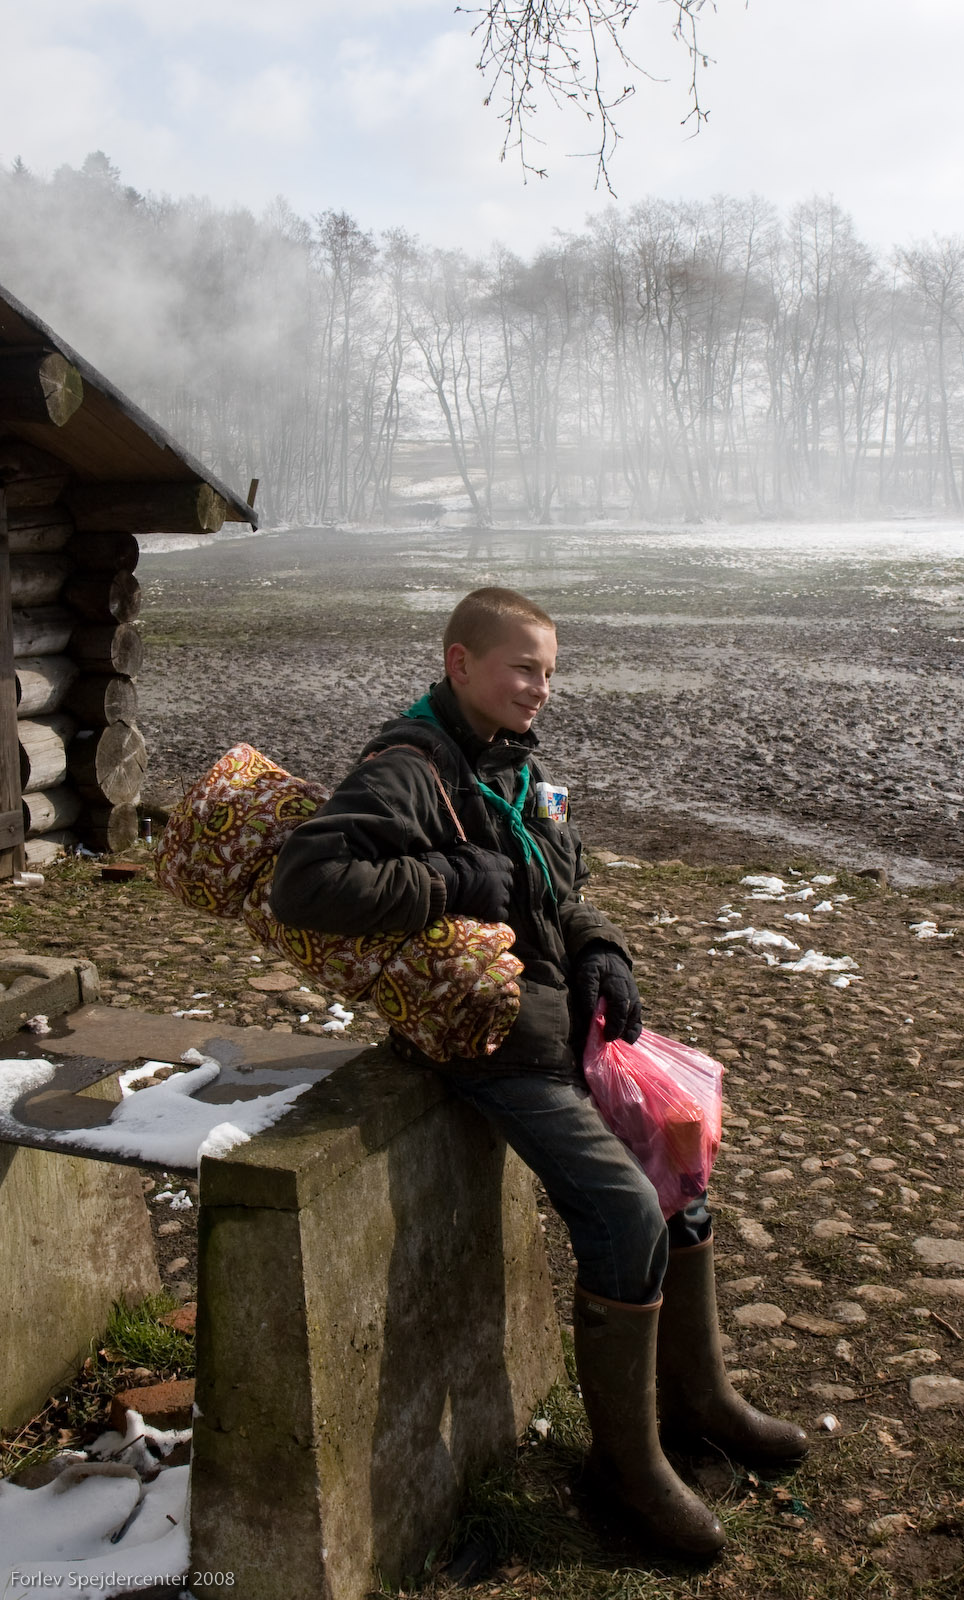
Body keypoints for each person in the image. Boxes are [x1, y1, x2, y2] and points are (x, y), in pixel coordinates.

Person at [269, 585, 807, 1560]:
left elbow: (562, 887)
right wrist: (446, 881)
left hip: (558, 1023)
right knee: (624, 1213)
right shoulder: (408, 767)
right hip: (484, 1040)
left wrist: (602, 951)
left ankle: (697, 1403)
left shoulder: (517, 768)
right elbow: (304, 883)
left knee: (678, 1160)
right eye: (523, 668)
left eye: (549, 672)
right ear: (460, 662)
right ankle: (622, 1470)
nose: (539, 688)